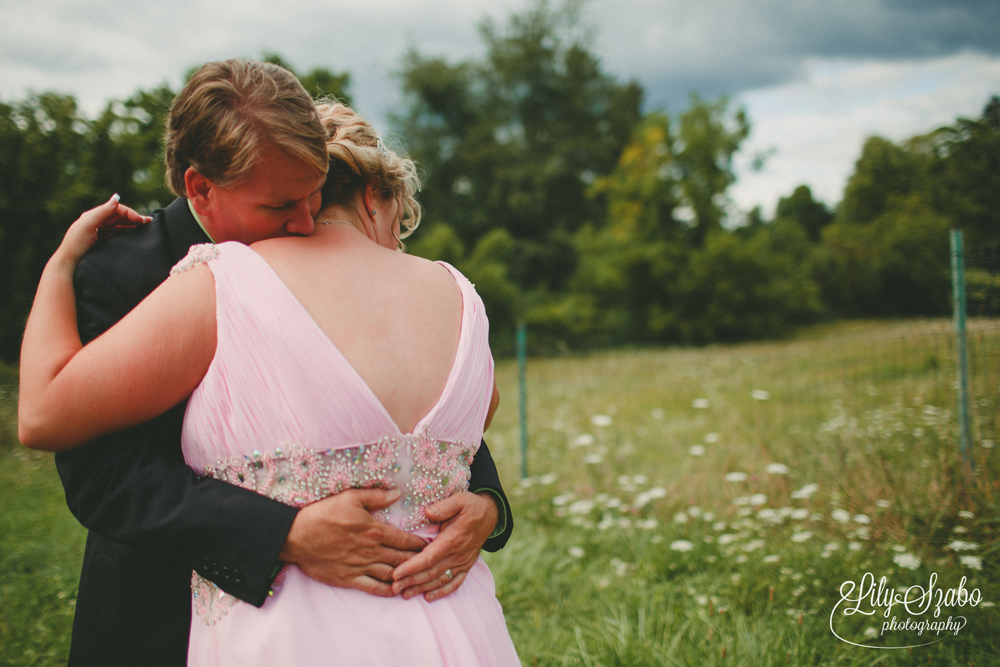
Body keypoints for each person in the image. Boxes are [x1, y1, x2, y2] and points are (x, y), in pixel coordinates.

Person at [19, 59, 512, 666]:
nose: (305, 225)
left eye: (313, 196)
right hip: (161, 615)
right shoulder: (122, 276)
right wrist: (282, 534)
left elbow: (413, 424)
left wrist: (486, 502)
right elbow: (107, 478)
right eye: (282, 205)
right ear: (201, 188)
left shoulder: (332, 262)